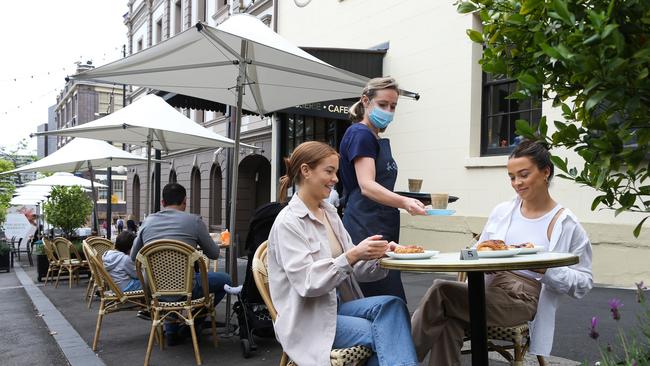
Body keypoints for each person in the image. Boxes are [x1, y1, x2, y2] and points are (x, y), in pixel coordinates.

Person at [411, 140, 593, 365]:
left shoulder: (565, 223)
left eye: (524, 175)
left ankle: (398, 360)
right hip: (486, 286)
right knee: (449, 321)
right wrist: (471, 255)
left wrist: (546, 270)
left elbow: (584, 283)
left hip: (522, 298)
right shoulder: (503, 212)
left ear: (545, 172)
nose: (517, 183)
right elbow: (474, 254)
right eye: (512, 177)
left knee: (441, 290)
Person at [268, 141, 418, 366]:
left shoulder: (329, 214)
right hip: (309, 320)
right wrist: (352, 255)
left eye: (336, 172)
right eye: (329, 171)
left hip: (337, 307)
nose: (336, 179)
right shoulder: (288, 223)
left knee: (393, 306)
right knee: (385, 333)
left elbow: (356, 270)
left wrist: (381, 255)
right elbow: (307, 284)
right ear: (306, 171)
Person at [339, 76, 426, 301]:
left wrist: (409, 199)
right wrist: (404, 202)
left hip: (378, 221)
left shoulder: (372, 136)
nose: (388, 111)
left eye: (393, 106)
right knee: (382, 299)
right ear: (365, 101)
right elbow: (367, 185)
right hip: (365, 223)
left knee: (387, 294)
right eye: (383, 105)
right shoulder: (361, 135)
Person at [130, 182, 232, 346]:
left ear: (162, 203)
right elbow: (214, 254)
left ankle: (171, 331)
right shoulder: (194, 221)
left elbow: (132, 257)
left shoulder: (147, 223)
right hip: (187, 289)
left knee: (167, 281)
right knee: (226, 279)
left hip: (155, 289)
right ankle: (195, 322)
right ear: (185, 201)